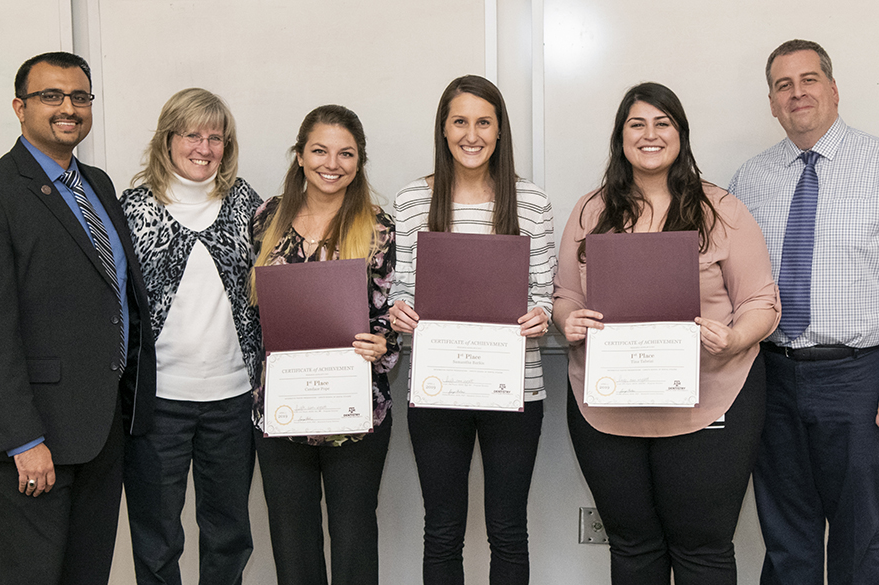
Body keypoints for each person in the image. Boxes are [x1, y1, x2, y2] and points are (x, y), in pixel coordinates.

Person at [729, 39, 879, 585]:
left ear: (833, 89)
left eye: (808, 80)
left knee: (857, 533)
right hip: (770, 375)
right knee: (785, 536)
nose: (797, 93)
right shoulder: (750, 179)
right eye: (783, 85)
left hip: (859, 377)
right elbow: (726, 275)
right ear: (772, 104)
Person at [552, 82, 780, 585]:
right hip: (608, 409)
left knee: (703, 552)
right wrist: (567, 319)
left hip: (710, 405)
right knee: (633, 549)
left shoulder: (721, 210)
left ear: (680, 135)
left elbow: (761, 303)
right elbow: (565, 295)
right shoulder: (590, 212)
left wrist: (736, 336)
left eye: (663, 124)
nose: (650, 135)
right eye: (637, 124)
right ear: (621, 137)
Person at [0, 51, 156, 585]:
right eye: (51, 96)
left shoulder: (100, 186)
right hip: (36, 438)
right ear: (20, 107)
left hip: (102, 429)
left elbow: (116, 299)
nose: (69, 108)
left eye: (80, 97)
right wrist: (23, 441)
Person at [388, 74, 556, 585]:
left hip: (515, 389)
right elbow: (402, 290)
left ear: (500, 130)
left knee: (508, 530)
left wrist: (540, 316)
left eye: (484, 122)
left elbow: (545, 296)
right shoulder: (413, 201)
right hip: (438, 389)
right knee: (441, 530)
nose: (472, 134)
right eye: (460, 121)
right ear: (443, 129)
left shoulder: (532, 203)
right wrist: (400, 313)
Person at [251, 104, 398, 585]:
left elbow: (393, 313)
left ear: (359, 162)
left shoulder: (379, 228)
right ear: (299, 155)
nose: (331, 164)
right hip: (282, 409)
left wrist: (383, 342)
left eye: (346, 154)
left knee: (354, 542)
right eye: (319, 150)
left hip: (355, 412)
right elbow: (249, 314)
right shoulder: (265, 219)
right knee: (292, 546)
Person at [119, 88, 261, 585]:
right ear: (168, 140)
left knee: (228, 534)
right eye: (192, 135)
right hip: (157, 401)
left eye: (215, 137)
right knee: (157, 537)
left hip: (232, 398)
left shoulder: (247, 203)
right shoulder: (132, 209)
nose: (204, 148)